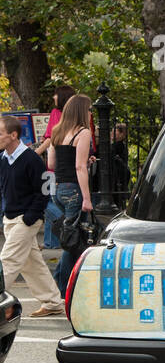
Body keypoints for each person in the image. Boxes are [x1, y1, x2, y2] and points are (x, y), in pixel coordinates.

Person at [0, 115, 64, 316]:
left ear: (13, 135)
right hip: (10, 219)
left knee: (7, 261)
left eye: (0, 133)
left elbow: (44, 191)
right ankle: (53, 302)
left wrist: (31, 217)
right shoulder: (2, 159)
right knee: (31, 264)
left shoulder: (32, 159)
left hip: (26, 220)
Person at [47, 94, 94, 292]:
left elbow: (51, 164)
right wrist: (87, 198)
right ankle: (64, 283)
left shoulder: (57, 132)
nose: (91, 112)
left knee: (69, 235)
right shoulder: (83, 133)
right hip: (73, 189)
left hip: (57, 188)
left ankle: (61, 279)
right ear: (82, 111)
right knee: (72, 239)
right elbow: (79, 167)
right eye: (89, 109)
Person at [34, 85, 75, 247]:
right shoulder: (76, 115)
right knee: (58, 200)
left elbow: (50, 138)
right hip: (70, 165)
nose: (53, 98)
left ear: (62, 97)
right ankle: (51, 242)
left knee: (46, 200)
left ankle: (65, 225)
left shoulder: (56, 113)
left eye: (55, 95)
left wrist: (34, 153)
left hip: (53, 166)